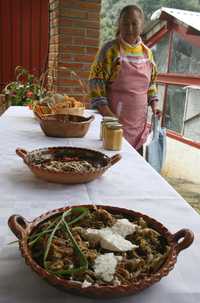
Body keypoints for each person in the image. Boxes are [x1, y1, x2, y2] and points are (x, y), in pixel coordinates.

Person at [89, 5, 161, 155]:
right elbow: (95, 83)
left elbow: (151, 83)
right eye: (125, 23)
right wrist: (108, 114)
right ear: (119, 25)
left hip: (138, 129)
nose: (129, 28)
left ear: (141, 26)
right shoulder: (110, 50)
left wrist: (154, 105)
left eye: (134, 23)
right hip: (112, 125)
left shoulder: (147, 54)